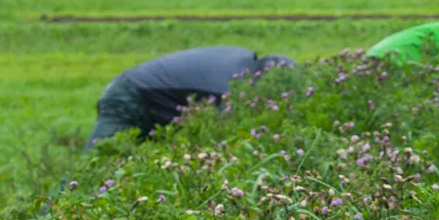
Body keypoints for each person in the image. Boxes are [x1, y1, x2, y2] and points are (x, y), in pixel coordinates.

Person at [88, 46, 295, 147]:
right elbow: (224, 138)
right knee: (97, 160)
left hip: (156, 102)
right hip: (130, 95)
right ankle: (56, 211)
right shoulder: (232, 86)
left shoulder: (244, 63)